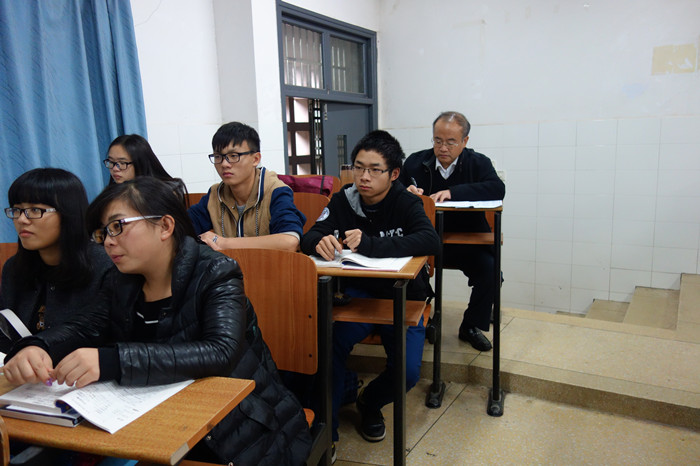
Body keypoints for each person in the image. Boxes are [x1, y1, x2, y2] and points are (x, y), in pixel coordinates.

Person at [3, 177, 312, 466]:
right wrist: (39, 346)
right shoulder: (121, 279)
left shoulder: (215, 271)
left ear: (164, 226)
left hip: (240, 425)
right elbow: (86, 325)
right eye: (103, 232)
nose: (108, 242)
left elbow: (220, 352)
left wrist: (112, 361)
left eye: (118, 226)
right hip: (161, 417)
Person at [301, 130, 440, 448]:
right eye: (359, 167)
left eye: (375, 170)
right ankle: (326, 435)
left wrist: (371, 245)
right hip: (357, 295)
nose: (364, 177)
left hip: (402, 296)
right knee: (329, 346)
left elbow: (430, 240)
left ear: (394, 174)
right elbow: (311, 235)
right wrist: (318, 241)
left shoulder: (406, 202)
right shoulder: (343, 200)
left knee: (407, 373)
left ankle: (370, 401)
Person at [399, 111, 506, 351]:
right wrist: (405, 192)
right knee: (408, 272)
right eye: (437, 140)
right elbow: (394, 188)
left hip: (468, 242)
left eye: (450, 142)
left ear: (465, 141)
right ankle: (420, 320)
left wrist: (453, 193)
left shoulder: (478, 163)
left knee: (491, 272)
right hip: (425, 241)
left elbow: (497, 188)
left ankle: (470, 325)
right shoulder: (416, 162)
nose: (443, 148)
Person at [0, 168, 112, 353]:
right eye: (17, 210)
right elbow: (5, 333)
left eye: (35, 210)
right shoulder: (14, 268)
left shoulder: (105, 266)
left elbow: (98, 333)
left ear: (68, 214)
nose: (21, 220)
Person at [188, 122, 305, 252]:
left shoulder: (275, 191)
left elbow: (289, 241)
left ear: (255, 159)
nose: (224, 164)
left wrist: (223, 243)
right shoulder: (215, 194)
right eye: (218, 156)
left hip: (270, 264)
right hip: (231, 265)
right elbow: (184, 226)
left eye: (233, 156)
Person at [104, 134, 188, 205]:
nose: (115, 168)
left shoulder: (165, 193)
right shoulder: (114, 191)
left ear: (140, 163)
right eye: (111, 161)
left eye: (122, 163)